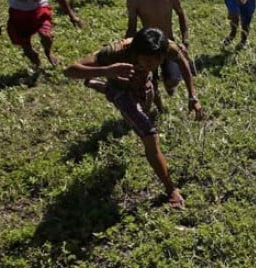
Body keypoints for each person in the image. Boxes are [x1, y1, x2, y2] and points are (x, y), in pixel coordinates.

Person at [65, 27, 202, 209]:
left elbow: (183, 63)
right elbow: (69, 70)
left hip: (142, 85)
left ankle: (97, 85)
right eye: (145, 61)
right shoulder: (115, 51)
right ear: (135, 53)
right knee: (149, 134)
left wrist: (193, 97)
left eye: (155, 62)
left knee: (145, 103)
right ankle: (171, 190)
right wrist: (107, 70)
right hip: (121, 88)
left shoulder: (167, 47)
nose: (149, 65)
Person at [127, 0, 193, 110]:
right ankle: (160, 107)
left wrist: (185, 40)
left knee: (173, 80)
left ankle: (169, 83)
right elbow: (131, 26)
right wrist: (128, 46)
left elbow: (182, 17)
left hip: (167, 44)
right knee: (151, 82)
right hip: (147, 46)